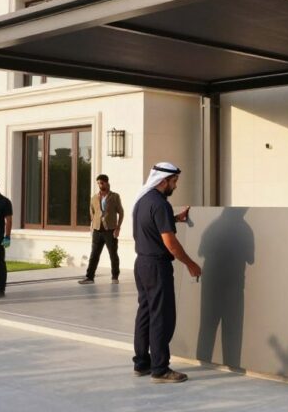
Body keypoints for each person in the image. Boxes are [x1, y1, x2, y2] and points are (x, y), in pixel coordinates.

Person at [132, 162, 202, 383]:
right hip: (157, 267)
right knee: (162, 317)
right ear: (163, 181)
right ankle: (160, 369)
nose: (175, 186)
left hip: (141, 264)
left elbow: (152, 224)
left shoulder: (143, 200)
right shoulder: (161, 204)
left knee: (145, 313)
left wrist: (175, 218)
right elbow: (170, 243)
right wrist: (190, 264)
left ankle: (141, 363)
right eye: (174, 181)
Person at [80, 174, 125, 285]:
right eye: (98, 183)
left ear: (107, 183)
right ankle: (89, 277)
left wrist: (118, 227)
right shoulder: (94, 197)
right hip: (97, 230)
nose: (100, 185)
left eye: (102, 183)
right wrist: (93, 224)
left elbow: (121, 212)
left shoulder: (114, 196)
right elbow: (92, 211)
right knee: (94, 254)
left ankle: (115, 277)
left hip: (110, 230)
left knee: (113, 254)